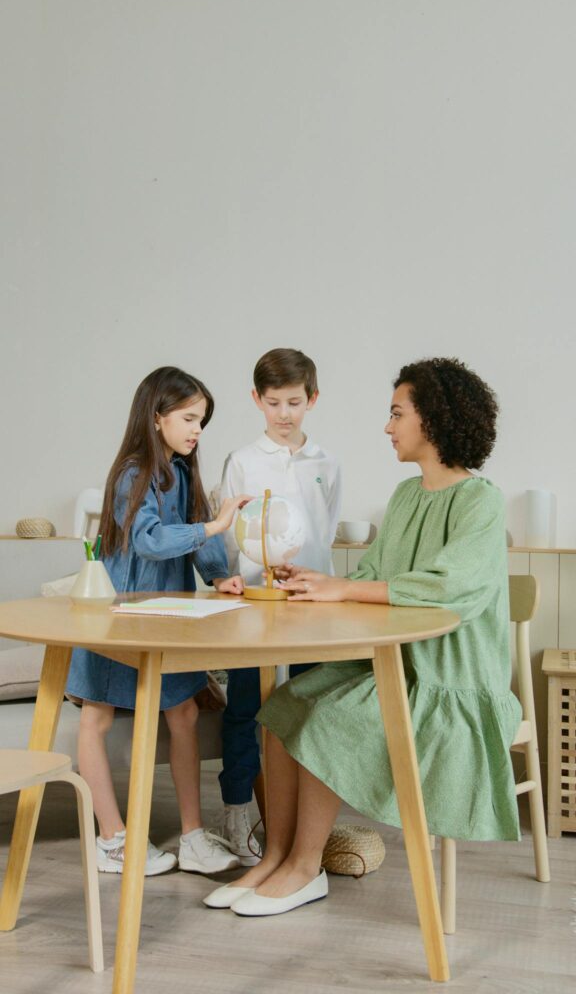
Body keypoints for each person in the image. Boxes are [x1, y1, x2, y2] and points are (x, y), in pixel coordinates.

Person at [203, 356, 522, 915]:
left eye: (397, 413)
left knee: (328, 720)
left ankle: (307, 869)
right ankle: (275, 858)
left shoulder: (481, 501)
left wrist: (344, 591)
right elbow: (374, 577)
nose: (387, 426)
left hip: (450, 679)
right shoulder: (404, 497)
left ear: (434, 420)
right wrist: (320, 583)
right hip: (394, 664)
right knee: (281, 709)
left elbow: (452, 588)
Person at [66, 366, 250, 876]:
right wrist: (214, 524)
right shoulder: (132, 473)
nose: (196, 430)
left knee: (185, 714)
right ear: (157, 416)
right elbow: (149, 539)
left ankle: (192, 837)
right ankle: (112, 838)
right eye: (189, 418)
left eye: (202, 422)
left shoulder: (185, 471)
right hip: (118, 619)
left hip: (169, 619)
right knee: (95, 719)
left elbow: (200, 534)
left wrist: (217, 577)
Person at [217, 347, 342, 864]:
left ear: (312, 399)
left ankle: (299, 823)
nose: (284, 414)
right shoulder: (242, 463)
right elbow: (228, 536)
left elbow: (326, 532)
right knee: (245, 705)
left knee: (312, 705)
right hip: (254, 604)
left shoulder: (326, 463)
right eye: (274, 403)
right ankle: (237, 808)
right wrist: (234, 580)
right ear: (256, 401)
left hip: (311, 603)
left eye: (294, 402)